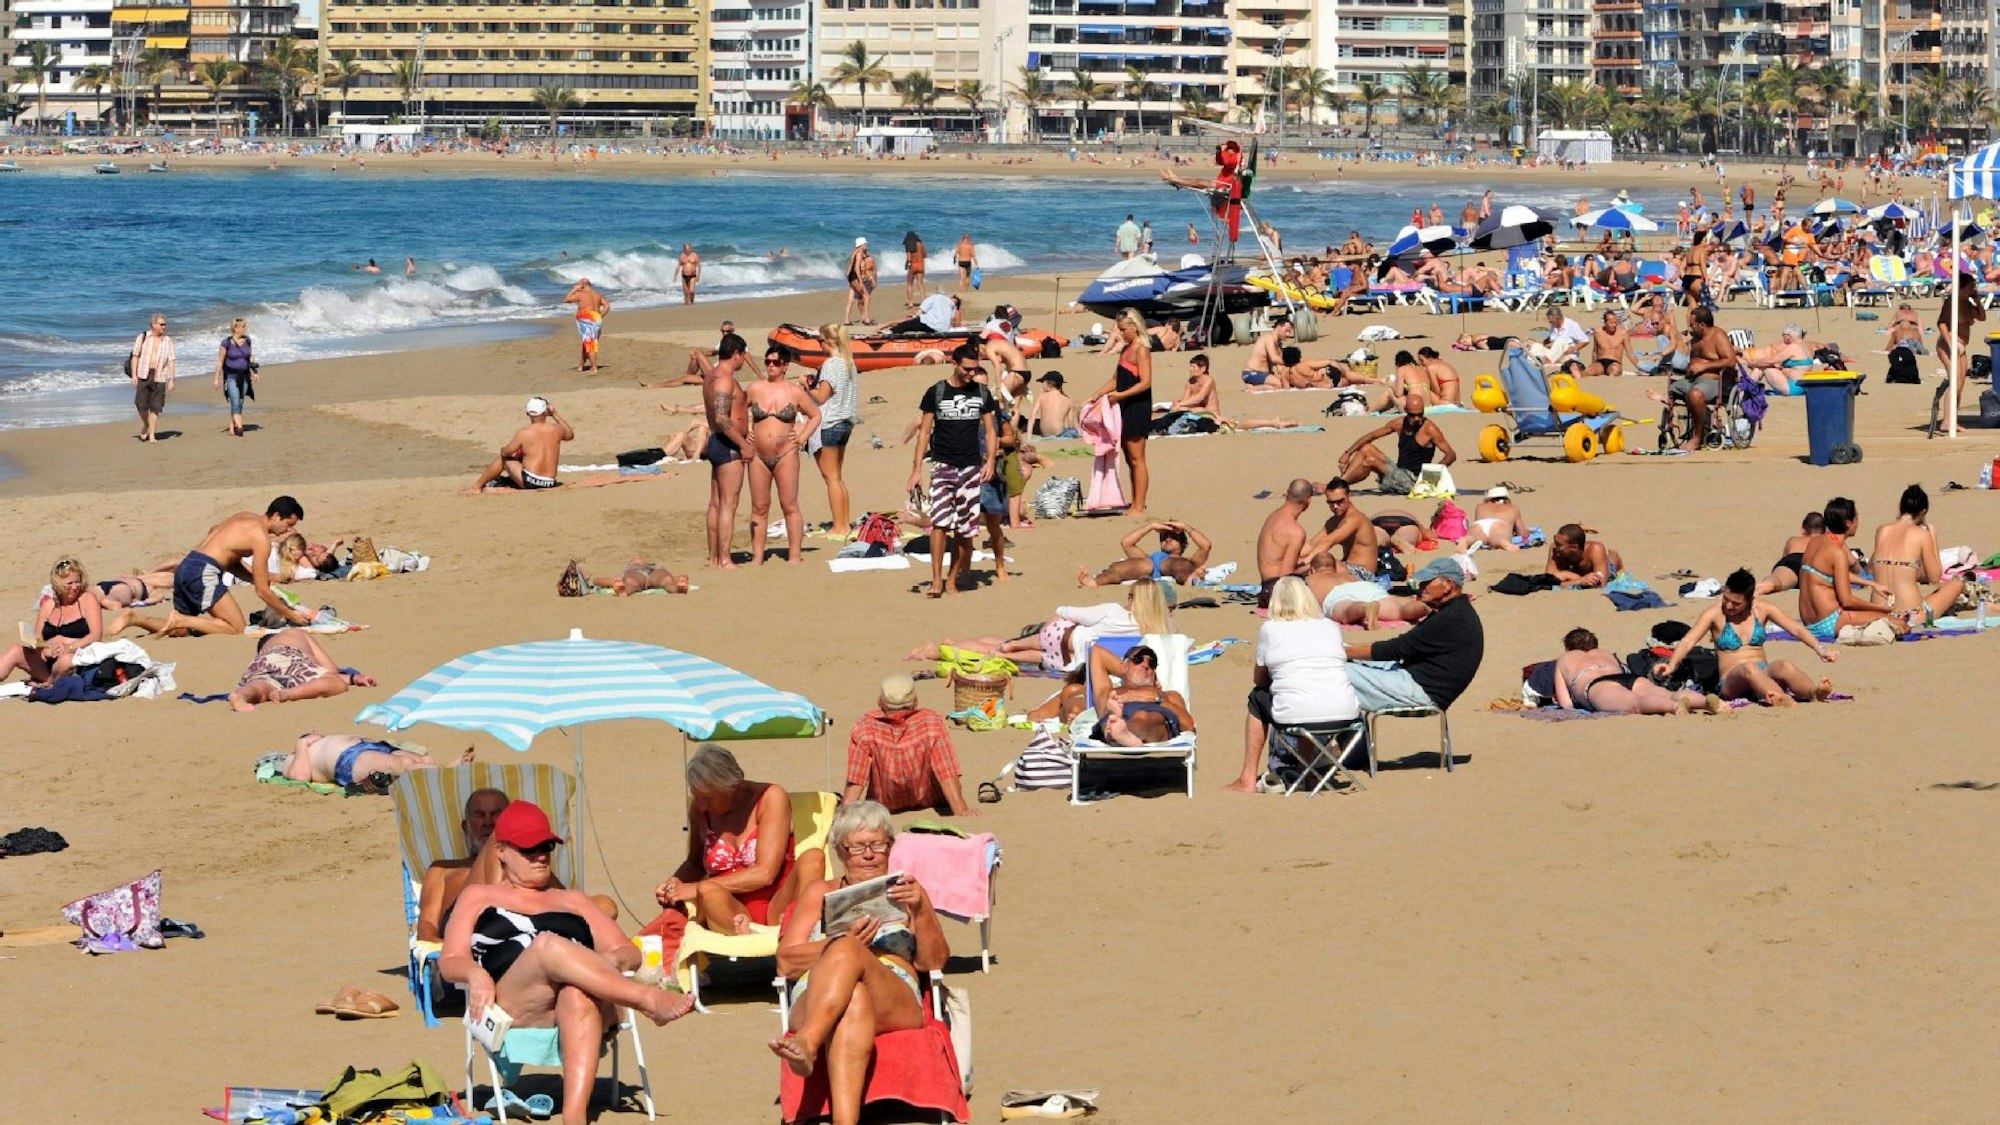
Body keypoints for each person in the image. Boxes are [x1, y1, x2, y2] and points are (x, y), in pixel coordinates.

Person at [441, 802, 695, 1125]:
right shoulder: (478, 897)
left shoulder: (573, 900)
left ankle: (574, 1117)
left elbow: (628, 952)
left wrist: (600, 962)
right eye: (529, 848)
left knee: (576, 990)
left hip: (583, 1003)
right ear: (502, 851)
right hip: (516, 1003)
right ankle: (646, 998)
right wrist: (475, 974)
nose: (541, 855)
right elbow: (450, 960)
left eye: (546, 846)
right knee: (546, 944)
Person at [770, 801, 950, 1125]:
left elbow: (934, 962)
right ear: (841, 852)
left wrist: (921, 910)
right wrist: (836, 945)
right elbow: (785, 962)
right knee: (853, 991)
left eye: (877, 844)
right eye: (857, 847)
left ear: (890, 847)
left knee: (849, 948)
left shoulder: (908, 893)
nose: (869, 854)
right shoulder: (818, 893)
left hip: (893, 995)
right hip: (817, 992)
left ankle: (808, 1042)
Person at [655, 745, 827, 934]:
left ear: (733, 788)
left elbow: (765, 873)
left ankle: (795, 930)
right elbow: (695, 863)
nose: (702, 805)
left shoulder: (770, 798)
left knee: (814, 858)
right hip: (729, 907)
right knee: (708, 892)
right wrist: (674, 884)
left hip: (777, 905)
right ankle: (746, 938)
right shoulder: (700, 808)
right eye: (697, 795)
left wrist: (694, 888)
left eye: (708, 798)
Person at [1228, 576, 1360, 792]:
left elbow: (1259, 678)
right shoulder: (1330, 626)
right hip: (1346, 713)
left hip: (1297, 712)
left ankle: (1247, 778)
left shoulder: (1271, 629)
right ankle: (1308, 773)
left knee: (1257, 698)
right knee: (1303, 693)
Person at [122, 497, 311, 637]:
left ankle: (135, 619)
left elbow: (217, 536)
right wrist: (289, 614)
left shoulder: (243, 516)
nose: (288, 531)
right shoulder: (261, 539)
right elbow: (261, 591)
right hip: (203, 571)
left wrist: (257, 577)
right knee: (236, 627)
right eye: (288, 525)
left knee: (181, 631)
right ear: (277, 516)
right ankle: (182, 618)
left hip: (187, 565)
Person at [1655, 570, 1838, 707]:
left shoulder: (1762, 609)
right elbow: (1689, 641)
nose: (1728, 605)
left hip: (1763, 671)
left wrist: (1821, 649)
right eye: (1726, 598)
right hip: (1732, 680)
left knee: (1784, 665)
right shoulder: (1714, 614)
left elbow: (1796, 629)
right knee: (1748, 669)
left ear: (1750, 600)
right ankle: (1783, 699)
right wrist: (1671, 664)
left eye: (1736, 603)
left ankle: (1814, 693)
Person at [906, 579, 1170, 673]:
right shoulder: (1150, 633)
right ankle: (949, 648)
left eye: (1131, 596)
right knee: (1003, 653)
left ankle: (940, 649)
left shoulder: (1114, 611)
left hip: (1062, 635)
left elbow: (1072, 612)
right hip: (1068, 661)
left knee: (1006, 644)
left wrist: (1060, 613)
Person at [909, 344, 999, 598]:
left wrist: (990, 460)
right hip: (942, 465)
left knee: (965, 528)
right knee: (939, 524)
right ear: (954, 363)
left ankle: (952, 580)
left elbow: (990, 430)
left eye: (975, 369)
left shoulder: (982, 393)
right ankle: (936, 580)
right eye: (967, 369)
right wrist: (916, 470)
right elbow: (924, 432)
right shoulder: (936, 392)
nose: (971, 374)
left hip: (971, 467)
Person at [1342, 557, 1482, 716]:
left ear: (1447, 584)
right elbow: (1405, 646)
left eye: (1427, 582)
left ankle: (1339, 734)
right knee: (1343, 661)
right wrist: (1347, 650)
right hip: (1414, 678)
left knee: (1334, 670)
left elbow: (1395, 649)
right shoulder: (1454, 611)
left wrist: (1339, 652)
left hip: (1422, 692)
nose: (1421, 587)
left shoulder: (1452, 617)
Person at [843, 674, 976, 817]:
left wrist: (842, 816)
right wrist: (961, 810)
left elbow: (856, 780)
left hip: (883, 806)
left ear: (879, 703)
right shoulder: (931, 722)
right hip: (930, 800)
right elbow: (946, 771)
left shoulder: (864, 728)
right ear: (915, 702)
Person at [744, 346, 822, 565]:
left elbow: (815, 415)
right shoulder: (754, 388)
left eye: (776, 362)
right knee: (759, 507)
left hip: (786, 454)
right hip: (758, 456)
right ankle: (757, 557)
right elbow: (738, 409)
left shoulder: (795, 392)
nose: (770, 365)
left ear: (786, 366)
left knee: (789, 504)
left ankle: (795, 556)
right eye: (767, 361)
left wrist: (803, 436)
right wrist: (745, 431)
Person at [416, 787, 511, 943]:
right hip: (457, 950)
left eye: (496, 814)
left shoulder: (527, 866)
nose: (488, 822)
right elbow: (426, 926)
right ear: (465, 826)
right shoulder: (441, 870)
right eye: (479, 815)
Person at [1798, 496, 1898, 643]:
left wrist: (1873, 584)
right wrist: (1880, 609)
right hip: (1829, 622)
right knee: (1899, 624)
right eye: (1856, 518)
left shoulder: (1815, 542)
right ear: (1848, 523)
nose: (1858, 522)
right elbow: (1847, 601)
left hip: (1808, 622)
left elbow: (1834, 575)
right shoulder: (1837, 553)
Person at [1555, 628, 1718, 714]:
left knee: (1635, 703)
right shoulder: (1605, 652)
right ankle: (1705, 702)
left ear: (1568, 648)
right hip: (1628, 677)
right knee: (1662, 692)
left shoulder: (1565, 659)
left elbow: (1566, 703)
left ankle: (1673, 707)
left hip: (1599, 685)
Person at [1870, 483, 1966, 626]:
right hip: (1910, 615)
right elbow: (1935, 577)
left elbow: (1872, 569)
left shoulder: (1882, 530)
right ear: (1922, 512)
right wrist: (1932, 536)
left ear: (1900, 507)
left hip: (1879, 612)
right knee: (1957, 584)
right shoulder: (1922, 535)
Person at [1087, 309, 1153, 516]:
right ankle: (1135, 502)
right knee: (1127, 458)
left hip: (1137, 406)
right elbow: (1116, 378)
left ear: (1134, 327)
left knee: (1137, 458)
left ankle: (1139, 506)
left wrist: (1121, 395)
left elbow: (1146, 382)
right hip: (1123, 406)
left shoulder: (1142, 349)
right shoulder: (1126, 349)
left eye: (1124, 329)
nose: (1121, 333)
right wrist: (1098, 393)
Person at [0, 557, 104, 685]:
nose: (75, 587)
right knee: (15, 650)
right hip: (47, 663)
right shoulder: (48, 605)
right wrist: (43, 650)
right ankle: (49, 681)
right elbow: (37, 638)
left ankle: (48, 684)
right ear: (58, 583)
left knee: (66, 660)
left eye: (77, 582)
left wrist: (69, 647)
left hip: (75, 660)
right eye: (69, 583)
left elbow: (95, 635)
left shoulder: (87, 599)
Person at [226, 628, 376, 710]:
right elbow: (331, 672)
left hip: (259, 663)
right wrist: (353, 678)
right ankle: (287, 694)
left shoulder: (264, 651)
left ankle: (241, 696)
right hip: (288, 654)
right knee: (335, 683)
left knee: (259, 686)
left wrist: (354, 678)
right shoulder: (295, 633)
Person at [1336, 392, 1456, 494]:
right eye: (1413, 415)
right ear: (1406, 411)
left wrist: (1433, 473)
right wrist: (1348, 453)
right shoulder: (1399, 424)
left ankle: (1336, 486)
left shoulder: (1429, 429)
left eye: (1420, 415)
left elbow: (1450, 454)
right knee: (1367, 448)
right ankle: (1340, 484)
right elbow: (1371, 435)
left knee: (1370, 460)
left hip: (1413, 481)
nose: (1417, 419)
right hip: (1399, 472)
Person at [804, 322, 858, 540]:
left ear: (827, 342)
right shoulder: (849, 363)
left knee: (831, 478)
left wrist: (806, 386)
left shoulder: (831, 364)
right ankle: (843, 522)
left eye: (820, 341)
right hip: (845, 422)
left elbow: (821, 396)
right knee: (837, 477)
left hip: (831, 423)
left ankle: (839, 526)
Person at [703, 333, 753, 569]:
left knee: (716, 502)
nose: (744, 360)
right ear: (736, 354)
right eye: (743, 355)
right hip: (727, 442)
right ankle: (724, 558)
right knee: (728, 504)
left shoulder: (710, 375)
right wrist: (743, 444)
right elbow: (723, 418)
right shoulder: (724, 379)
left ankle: (714, 559)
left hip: (716, 440)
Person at [1083, 643, 1195, 746]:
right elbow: (1096, 652)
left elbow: (1189, 725)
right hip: (1117, 710)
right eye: (1138, 659)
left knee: (1141, 716)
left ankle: (1120, 732)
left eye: (1152, 663)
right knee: (1112, 711)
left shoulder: (1169, 695)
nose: (1145, 665)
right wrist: (1124, 670)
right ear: (1123, 666)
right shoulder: (1109, 692)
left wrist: (1157, 699)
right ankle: (1119, 726)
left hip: (1153, 719)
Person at [276, 731, 470, 790]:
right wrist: (301, 744)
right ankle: (448, 774)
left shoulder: (319, 742)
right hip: (347, 760)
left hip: (370, 746)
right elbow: (299, 777)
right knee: (402, 766)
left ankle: (441, 771)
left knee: (422, 759)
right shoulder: (294, 756)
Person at [1670, 306, 1738, 451]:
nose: (1690, 327)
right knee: (1673, 389)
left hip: (1714, 381)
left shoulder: (1718, 336)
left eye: (1692, 324)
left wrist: (1704, 367)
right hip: (1692, 380)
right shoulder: (1696, 338)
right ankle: (1699, 419)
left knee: (1695, 394)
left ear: (1702, 325)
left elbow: (1730, 360)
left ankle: (1697, 437)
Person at [469, 397, 573, 492]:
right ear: (546, 411)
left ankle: (476, 487)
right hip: (549, 482)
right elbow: (570, 435)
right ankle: (504, 483)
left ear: (528, 413)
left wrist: (503, 449)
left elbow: (507, 452)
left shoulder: (524, 433)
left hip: (531, 482)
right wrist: (555, 414)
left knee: (503, 459)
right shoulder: (556, 429)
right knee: (522, 457)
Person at [1077, 519, 1213, 586]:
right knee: (1124, 567)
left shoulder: (1186, 561)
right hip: (1147, 566)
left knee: (1181, 565)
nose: (1168, 539)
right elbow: (1126, 543)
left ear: (1182, 544)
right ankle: (1095, 582)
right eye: (1164, 536)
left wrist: (1185, 527)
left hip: (1177, 568)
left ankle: (1191, 579)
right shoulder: (1148, 558)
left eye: (1173, 536)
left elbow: (1205, 546)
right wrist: (1151, 526)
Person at [1254, 479, 1318, 609]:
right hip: (1277, 593)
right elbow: (1286, 576)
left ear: (1287, 494)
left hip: (1265, 589)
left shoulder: (1273, 516)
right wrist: (1310, 567)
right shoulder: (1295, 531)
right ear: (1309, 500)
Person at [1304, 478, 1381, 584]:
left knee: (1323, 561)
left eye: (1340, 501)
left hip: (1364, 575)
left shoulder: (1354, 519)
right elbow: (1312, 544)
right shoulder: (1335, 520)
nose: (1335, 506)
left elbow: (1328, 541)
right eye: (1331, 502)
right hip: (1346, 567)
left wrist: (1303, 563)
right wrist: (1294, 558)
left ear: (1349, 497)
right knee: (1312, 561)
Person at [1938, 271, 1986, 412]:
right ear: (1961, 287)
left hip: (1962, 345)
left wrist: (1977, 302)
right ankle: (1948, 420)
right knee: (1955, 382)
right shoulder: (1951, 303)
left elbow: (1982, 317)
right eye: (1970, 287)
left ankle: (1953, 418)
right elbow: (1941, 324)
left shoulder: (1967, 303)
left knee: (1961, 382)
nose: (1973, 290)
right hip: (1950, 343)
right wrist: (1950, 343)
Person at [128, 311, 176, 444]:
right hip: (143, 374)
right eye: (161, 324)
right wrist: (134, 375)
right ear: (154, 324)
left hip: (160, 376)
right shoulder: (143, 337)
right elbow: (135, 356)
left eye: (165, 324)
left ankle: (152, 435)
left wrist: (172, 379)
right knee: (141, 405)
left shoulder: (167, 340)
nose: (164, 327)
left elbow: (171, 360)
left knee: (156, 407)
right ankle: (146, 424)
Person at [1756, 511, 1824, 595]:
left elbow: (1785, 557)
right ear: (1824, 532)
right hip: (1814, 567)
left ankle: (1759, 589)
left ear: (1803, 529)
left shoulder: (1793, 540)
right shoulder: (1826, 544)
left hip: (1794, 561)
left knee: (1776, 581)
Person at [213, 318, 257, 437]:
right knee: (235, 401)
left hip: (245, 376)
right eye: (243, 327)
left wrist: (255, 371)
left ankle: (232, 426)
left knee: (240, 401)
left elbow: (250, 357)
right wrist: (216, 378)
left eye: (245, 326)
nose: (245, 329)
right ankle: (239, 427)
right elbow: (220, 361)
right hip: (231, 376)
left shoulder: (247, 340)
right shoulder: (226, 343)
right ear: (236, 328)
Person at [1545, 523, 1622, 588]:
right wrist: (1579, 579)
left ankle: (1613, 555)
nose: (1555, 546)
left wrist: (1567, 575)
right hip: (1580, 573)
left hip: (1600, 568)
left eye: (1559, 544)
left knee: (1611, 568)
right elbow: (1547, 580)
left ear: (1574, 547)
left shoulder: (1595, 549)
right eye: (1555, 541)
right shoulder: (1555, 549)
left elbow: (1601, 583)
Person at [1458, 486, 1528, 551]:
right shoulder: (1513, 508)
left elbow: (1477, 520)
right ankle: (1505, 544)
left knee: (1473, 537)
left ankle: (1466, 540)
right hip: (1500, 525)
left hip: (1480, 524)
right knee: (1501, 540)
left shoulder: (1480, 506)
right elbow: (1522, 533)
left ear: (1489, 499)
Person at [563, 279, 609, 373]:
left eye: (578, 284)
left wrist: (575, 289)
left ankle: (594, 367)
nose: (576, 285)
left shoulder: (581, 293)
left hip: (586, 317)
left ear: (582, 285)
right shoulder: (597, 294)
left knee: (590, 343)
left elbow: (566, 299)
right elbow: (607, 306)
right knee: (588, 342)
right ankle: (581, 365)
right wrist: (600, 316)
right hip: (596, 317)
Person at [586, 559, 690, 595]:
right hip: (640, 572)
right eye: (635, 560)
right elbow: (596, 581)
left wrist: (681, 578)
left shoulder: (652, 565)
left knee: (667, 580)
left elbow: (597, 581)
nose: (638, 558)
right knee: (631, 581)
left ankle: (624, 591)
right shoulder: (632, 569)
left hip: (652, 570)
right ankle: (624, 590)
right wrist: (682, 577)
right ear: (630, 563)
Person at [1586, 309, 1638, 379]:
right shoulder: (1598, 332)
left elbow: (1630, 353)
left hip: (1615, 363)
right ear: (1605, 322)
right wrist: (1593, 364)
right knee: (1588, 370)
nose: (1614, 325)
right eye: (1611, 323)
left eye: (1615, 322)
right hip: (1600, 362)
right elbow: (1595, 351)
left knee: (1614, 370)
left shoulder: (1623, 333)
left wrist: (1640, 368)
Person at [1029, 371, 1078, 438]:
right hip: (1059, 434)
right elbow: (1071, 425)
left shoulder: (1041, 396)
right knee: (1074, 431)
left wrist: (1029, 437)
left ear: (1049, 384)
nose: (1042, 385)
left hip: (1045, 434)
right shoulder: (1068, 400)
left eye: (1043, 382)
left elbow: (1032, 416)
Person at [844, 238, 875, 326]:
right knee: (866, 296)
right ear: (861, 245)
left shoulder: (854, 252)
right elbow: (856, 268)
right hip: (855, 276)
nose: (866, 245)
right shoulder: (859, 253)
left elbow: (850, 267)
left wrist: (848, 278)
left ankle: (846, 320)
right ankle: (866, 319)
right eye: (865, 244)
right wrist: (860, 281)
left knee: (850, 300)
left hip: (851, 276)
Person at [901, 230, 926, 308]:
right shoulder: (921, 244)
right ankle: (923, 302)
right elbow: (924, 255)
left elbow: (909, 259)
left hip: (913, 266)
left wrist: (906, 265)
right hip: (921, 265)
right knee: (920, 284)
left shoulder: (909, 244)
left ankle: (911, 303)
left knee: (910, 284)